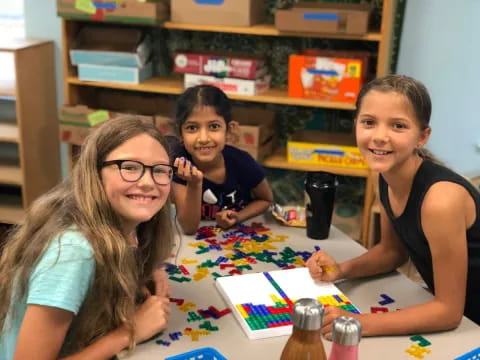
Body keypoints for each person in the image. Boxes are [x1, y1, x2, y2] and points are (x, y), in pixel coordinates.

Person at [306, 75, 480, 338]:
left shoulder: (440, 201)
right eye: (369, 122)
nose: (379, 137)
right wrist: (342, 270)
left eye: (398, 126)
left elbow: (448, 312)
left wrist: (358, 322)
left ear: (422, 137)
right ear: (356, 125)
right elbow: (392, 252)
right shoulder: (382, 175)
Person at [0, 116, 175, 359]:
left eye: (159, 170)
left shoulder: (130, 220)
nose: (148, 182)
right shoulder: (73, 253)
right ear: (95, 173)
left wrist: (149, 270)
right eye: (130, 167)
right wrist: (128, 332)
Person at [172, 85, 273, 234]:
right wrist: (194, 183)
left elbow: (266, 200)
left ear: (229, 131)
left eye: (214, 126)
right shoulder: (180, 165)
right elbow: (188, 228)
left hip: (239, 238)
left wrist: (238, 217)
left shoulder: (242, 162)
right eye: (192, 128)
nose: (203, 139)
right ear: (180, 133)